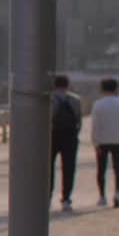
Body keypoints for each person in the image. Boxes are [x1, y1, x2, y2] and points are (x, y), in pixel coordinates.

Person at [91, 78, 119, 208]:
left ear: (102, 89)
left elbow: (95, 125)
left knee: (101, 169)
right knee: (118, 167)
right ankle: (117, 193)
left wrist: (95, 141)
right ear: (116, 89)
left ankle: (102, 196)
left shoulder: (98, 104)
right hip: (118, 139)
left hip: (102, 140)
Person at [51, 75, 82, 212]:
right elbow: (78, 120)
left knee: (48, 168)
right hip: (70, 137)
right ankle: (66, 199)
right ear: (67, 85)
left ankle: (47, 197)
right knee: (69, 168)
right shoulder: (75, 99)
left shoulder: (49, 98)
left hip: (52, 136)